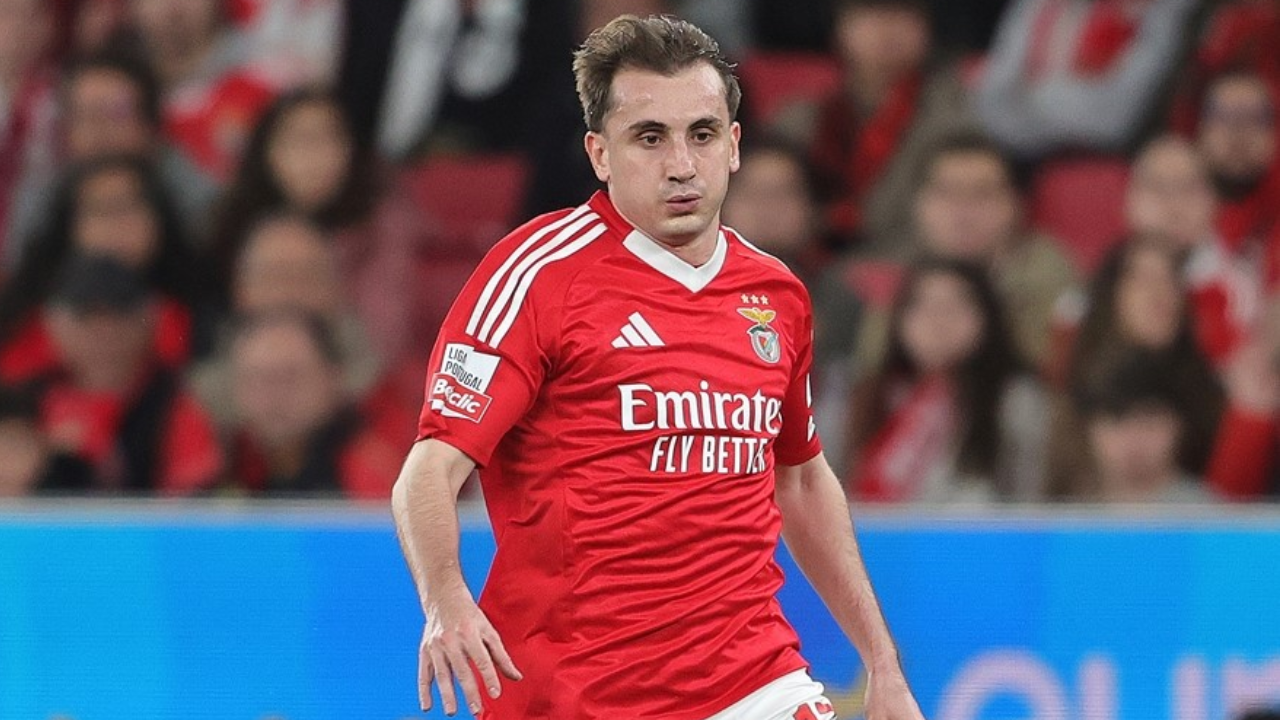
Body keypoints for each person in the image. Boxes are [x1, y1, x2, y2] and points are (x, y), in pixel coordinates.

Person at [392, 14, 923, 720]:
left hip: (752, 682)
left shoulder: (775, 295)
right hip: (572, 694)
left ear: (734, 145)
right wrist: (445, 598)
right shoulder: (537, 276)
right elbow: (429, 470)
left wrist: (881, 661)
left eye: (701, 134)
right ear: (599, 153)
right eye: (650, 137)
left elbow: (798, 477)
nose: (681, 165)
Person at [845, 257, 1047, 503]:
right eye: (923, 305)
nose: (938, 320)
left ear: (987, 317)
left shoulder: (1016, 400)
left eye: (955, 306)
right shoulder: (870, 396)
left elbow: (1031, 500)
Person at [0, 154, 202, 382]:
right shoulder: (30, 319)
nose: (116, 223)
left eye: (129, 206)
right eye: (100, 210)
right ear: (69, 225)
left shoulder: (196, 311)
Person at [32, 252, 222, 494]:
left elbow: (194, 498)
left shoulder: (177, 403)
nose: (105, 334)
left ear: (149, 321)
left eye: (119, 315)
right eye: (86, 317)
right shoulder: (25, 403)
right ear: (55, 325)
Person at [975, 0, 1199, 160]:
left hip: (1110, 163)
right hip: (1018, 154)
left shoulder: (1160, 13)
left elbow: (1111, 123)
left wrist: (1031, 94)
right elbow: (992, 102)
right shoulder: (1034, 5)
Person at [223, 309, 397, 498]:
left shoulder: (374, 471)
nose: (274, 395)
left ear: (334, 377)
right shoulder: (221, 466)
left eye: (290, 377)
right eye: (258, 379)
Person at [1071, 350, 1217, 503]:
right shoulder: (1066, 508)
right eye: (1116, 420)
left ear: (1179, 425)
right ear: (1088, 427)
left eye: (1149, 423)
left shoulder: (1208, 512)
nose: (1133, 440)